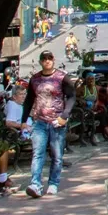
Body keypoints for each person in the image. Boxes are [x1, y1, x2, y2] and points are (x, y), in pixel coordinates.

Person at [20, 51, 74, 198]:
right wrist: (24, 120)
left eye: (49, 58)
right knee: (38, 153)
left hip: (57, 122)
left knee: (57, 155)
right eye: (44, 59)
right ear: (40, 62)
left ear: (53, 60)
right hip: (39, 121)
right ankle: (35, 184)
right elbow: (29, 100)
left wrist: (64, 115)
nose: (47, 61)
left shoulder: (62, 77)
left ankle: (53, 183)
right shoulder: (35, 79)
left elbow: (71, 96)